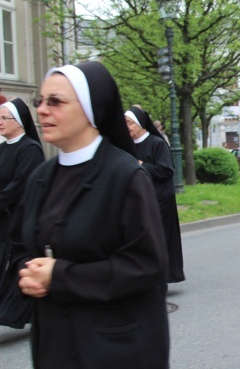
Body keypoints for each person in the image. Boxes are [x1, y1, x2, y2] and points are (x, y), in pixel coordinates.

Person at [8, 61, 170, 368]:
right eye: (39, 101)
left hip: (112, 350)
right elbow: (20, 248)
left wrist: (59, 276)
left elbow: (145, 265)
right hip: (55, 347)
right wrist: (26, 275)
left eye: (55, 101)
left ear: (90, 109)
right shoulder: (41, 178)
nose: (42, 110)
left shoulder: (125, 176)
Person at [125, 106, 186, 283]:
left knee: (161, 240)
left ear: (140, 124)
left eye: (129, 123)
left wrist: (141, 164)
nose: (126, 127)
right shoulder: (128, 145)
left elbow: (166, 170)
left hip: (161, 200)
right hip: (139, 199)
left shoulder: (157, 143)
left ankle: (163, 277)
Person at [0, 98, 45, 328]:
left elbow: (19, 185)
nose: (0, 122)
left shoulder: (30, 149)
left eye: (4, 118)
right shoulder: (2, 147)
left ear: (18, 121)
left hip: (18, 222)